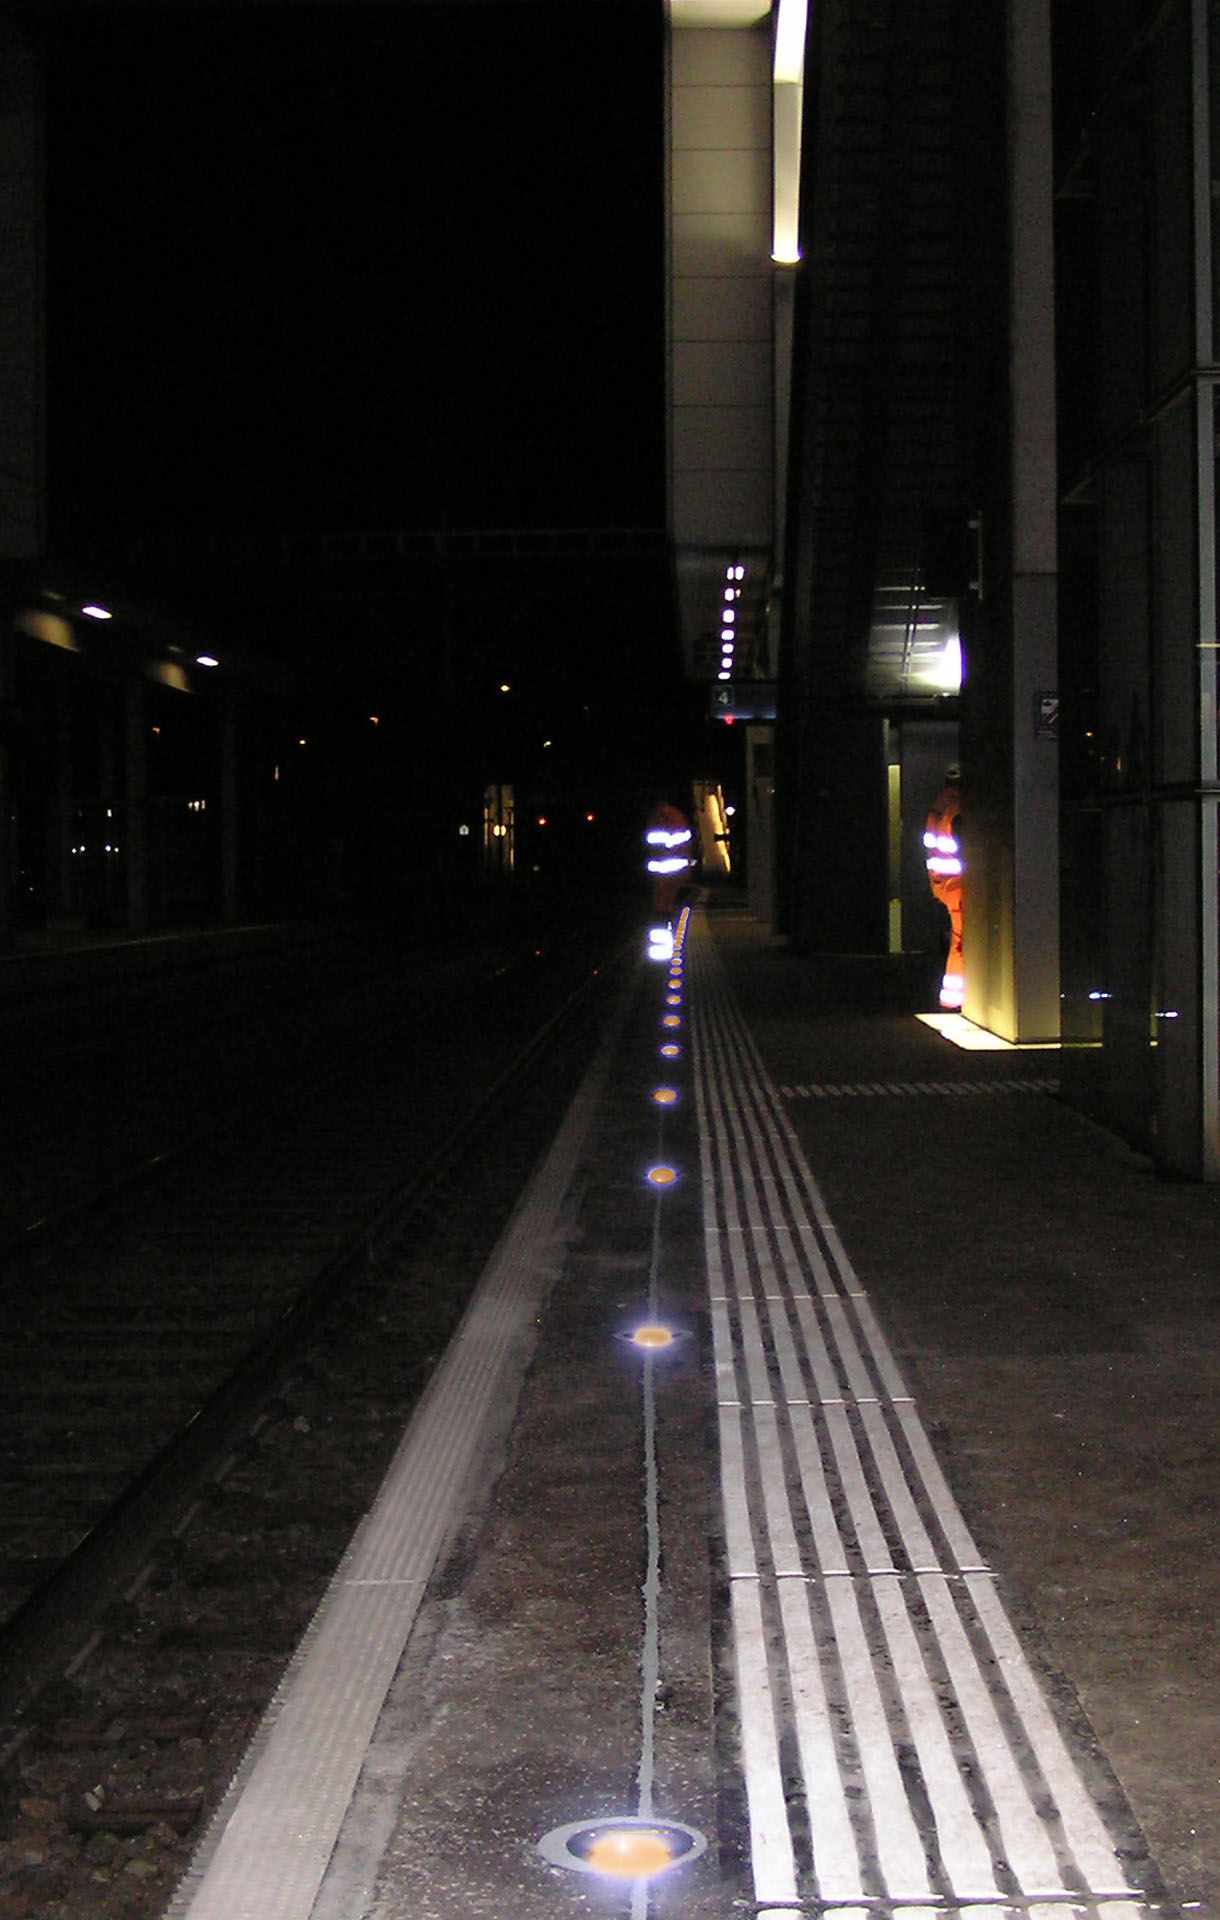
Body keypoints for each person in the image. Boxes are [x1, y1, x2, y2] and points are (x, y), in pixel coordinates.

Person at [924, 765, 964, 1009]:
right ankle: (956, 999)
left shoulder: (938, 808)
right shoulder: (957, 810)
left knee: (958, 940)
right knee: (962, 943)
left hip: (944, 884)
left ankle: (953, 998)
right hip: (959, 885)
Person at [644, 796, 693, 920]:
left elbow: (650, 840)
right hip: (677, 868)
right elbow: (686, 837)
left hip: (661, 869)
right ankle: (669, 917)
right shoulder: (677, 816)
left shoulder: (655, 817)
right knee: (672, 898)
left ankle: (663, 917)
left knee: (661, 899)